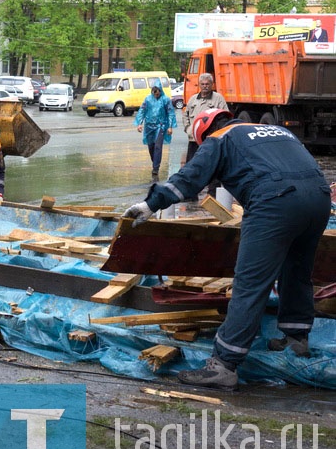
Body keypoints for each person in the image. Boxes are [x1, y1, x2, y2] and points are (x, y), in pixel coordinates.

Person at [124, 109, 331, 389]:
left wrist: (152, 203)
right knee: (297, 271)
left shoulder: (220, 137)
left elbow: (190, 178)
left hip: (275, 202)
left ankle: (223, 365)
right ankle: (296, 342)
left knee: (250, 283)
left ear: (205, 132)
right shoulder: (278, 131)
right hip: (319, 199)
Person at [182, 73, 228, 197]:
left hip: (211, 141)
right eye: (202, 84)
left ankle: (213, 195)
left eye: (207, 84)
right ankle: (190, 194)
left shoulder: (218, 99)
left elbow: (225, 116)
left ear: (212, 85)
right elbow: (185, 115)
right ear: (199, 85)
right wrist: (188, 128)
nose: (205, 86)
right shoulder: (192, 99)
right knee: (191, 167)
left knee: (213, 166)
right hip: (194, 140)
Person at [134, 79, 176, 181]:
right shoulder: (148, 99)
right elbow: (142, 111)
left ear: (160, 91)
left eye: (158, 93)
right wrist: (139, 123)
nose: (156, 95)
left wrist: (170, 126)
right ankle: (155, 162)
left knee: (158, 145)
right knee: (151, 146)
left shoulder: (165, 100)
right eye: (154, 93)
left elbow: (170, 113)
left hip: (160, 126)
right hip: (149, 126)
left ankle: (155, 168)